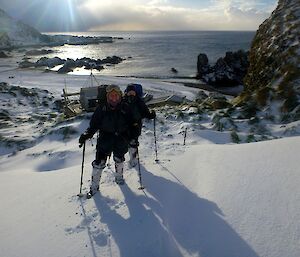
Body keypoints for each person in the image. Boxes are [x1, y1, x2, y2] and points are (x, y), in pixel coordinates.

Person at [79, 85, 134, 198]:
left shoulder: (125, 107)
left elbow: (131, 123)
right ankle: (94, 187)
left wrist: (132, 133)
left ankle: (119, 177)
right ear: (107, 97)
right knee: (99, 163)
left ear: (120, 96)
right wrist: (87, 134)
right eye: (111, 96)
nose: (114, 98)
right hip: (105, 139)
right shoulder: (101, 109)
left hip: (121, 138)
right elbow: (94, 125)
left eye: (116, 95)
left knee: (119, 159)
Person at [124, 83, 156, 167]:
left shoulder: (139, 101)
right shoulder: (122, 101)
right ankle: (130, 155)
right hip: (124, 126)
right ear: (126, 93)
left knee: (134, 142)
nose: (131, 94)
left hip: (136, 125)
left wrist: (151, 115)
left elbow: (145, 112)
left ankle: (133, 158)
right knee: (126, 142)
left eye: (132, 92)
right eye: (129, 92)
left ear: (135, 93)